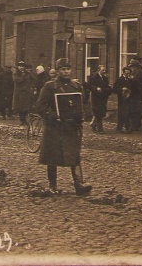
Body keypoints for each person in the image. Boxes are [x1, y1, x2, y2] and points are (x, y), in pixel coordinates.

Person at [34, 58, 91, 195]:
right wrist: (53, 116)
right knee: (52, 156)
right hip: (55, 127)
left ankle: (79, 185)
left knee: (74, 155)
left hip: (72, 126)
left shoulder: (76, 86)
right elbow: (40, 106)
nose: (66, 72)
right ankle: (52, 186)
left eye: (68, 69)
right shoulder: (50, 86)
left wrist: (82, 115)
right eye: (63, 69)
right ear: (58, 71)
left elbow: (81, 104)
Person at [112, 66, 139, 134]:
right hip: (122, 99)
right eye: (126, 73)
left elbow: (135, 88)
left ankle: (128, 127)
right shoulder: (119, 80)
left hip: (129, 99)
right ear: (123, 73)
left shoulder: (131, 80)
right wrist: (121, 89)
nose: (128, 75)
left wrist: (133, 80)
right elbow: (114, 89)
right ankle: (119, 128)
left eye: (129, 73)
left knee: (128, 113)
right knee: (122, 113)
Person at [85, 65, 110, 133]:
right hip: (96, 97)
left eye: (105, 70)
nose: (104, 71)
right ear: (98, 70)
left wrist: (106, 90)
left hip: (103, 97)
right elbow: (89, 85)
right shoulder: (94, 77)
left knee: (101, 113)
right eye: (102, 70)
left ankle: (93, 124)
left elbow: (107, 86)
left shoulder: (105, 78)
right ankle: (100, 129)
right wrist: (96, 88)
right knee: (98, 113)